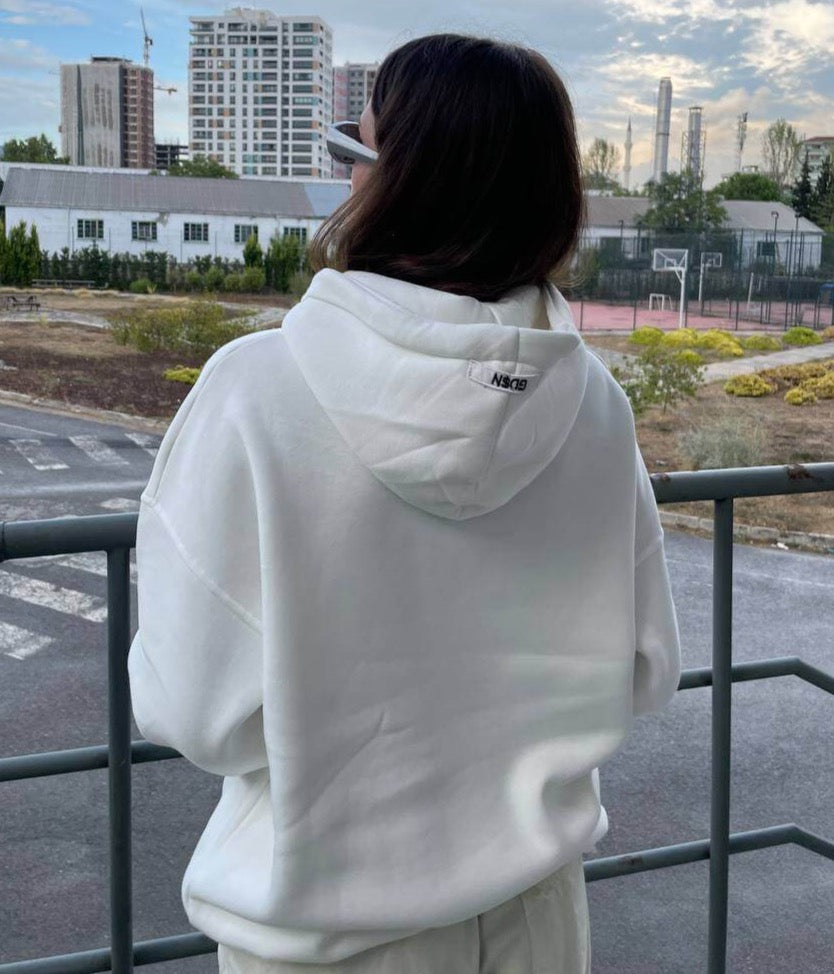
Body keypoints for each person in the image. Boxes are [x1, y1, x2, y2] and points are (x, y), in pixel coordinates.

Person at [128, 33, 681, 974]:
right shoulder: (593, 404)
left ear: (402, 180)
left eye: (357, 150)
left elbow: (193, 707)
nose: (346, 177)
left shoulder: (257, 390)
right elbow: (645, 668)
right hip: (537, 921)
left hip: (325, 929)